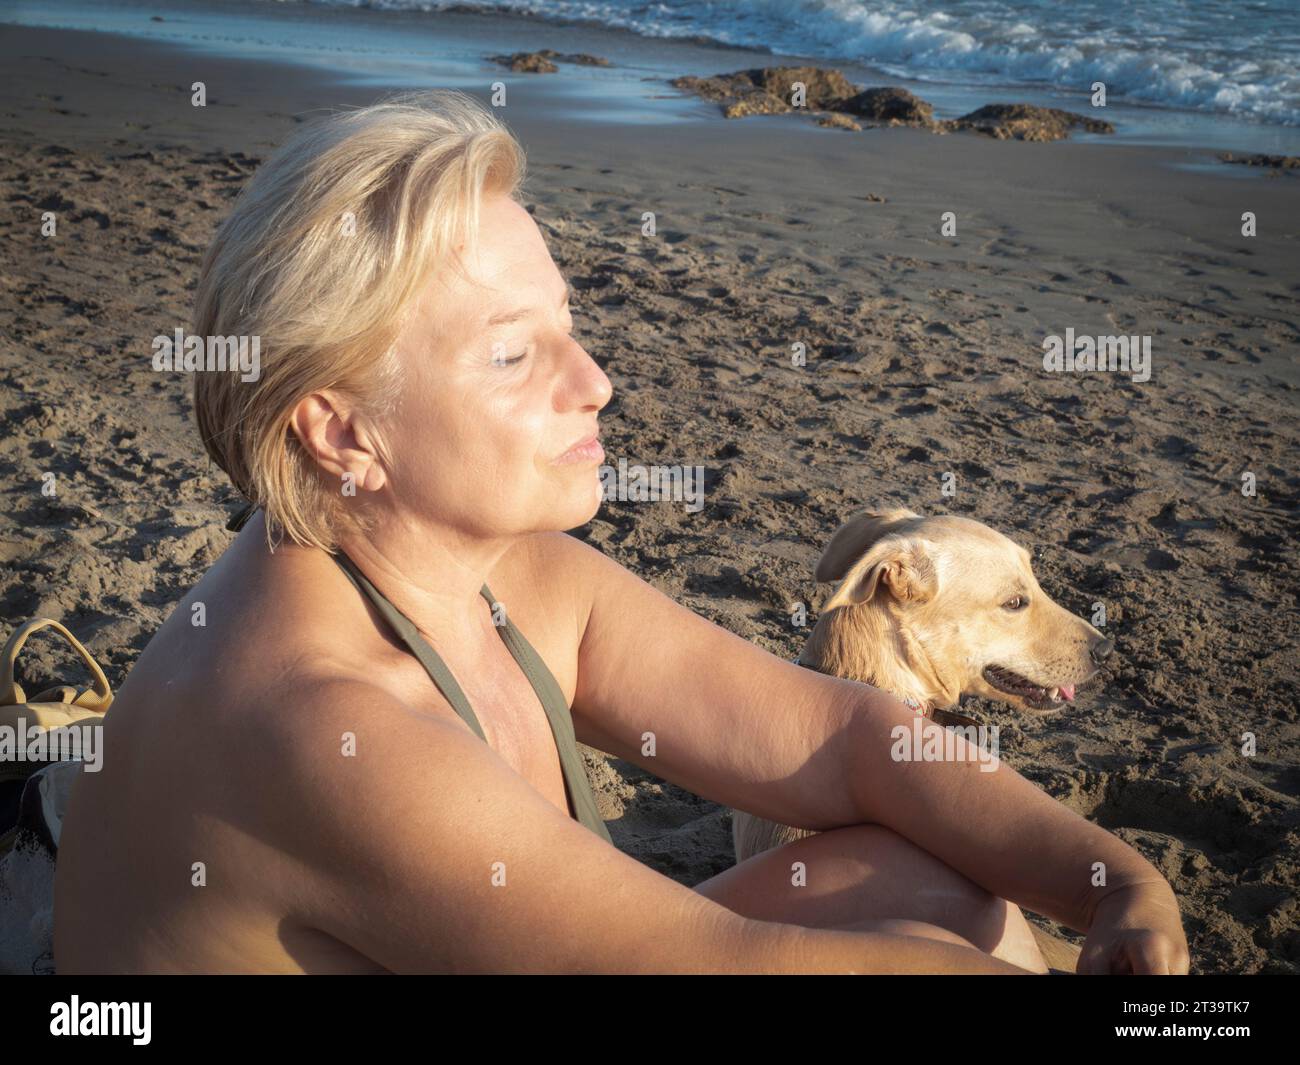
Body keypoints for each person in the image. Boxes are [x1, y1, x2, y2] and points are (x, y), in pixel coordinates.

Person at [52, 91, 1189, 974]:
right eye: (512, 353)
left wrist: (1113, 883)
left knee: (938, 890)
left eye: (570, 324)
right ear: (341, 432)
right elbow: (706, 966)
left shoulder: (501, 571)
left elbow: (842, 741)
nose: (593, 381)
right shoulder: (329, 730)